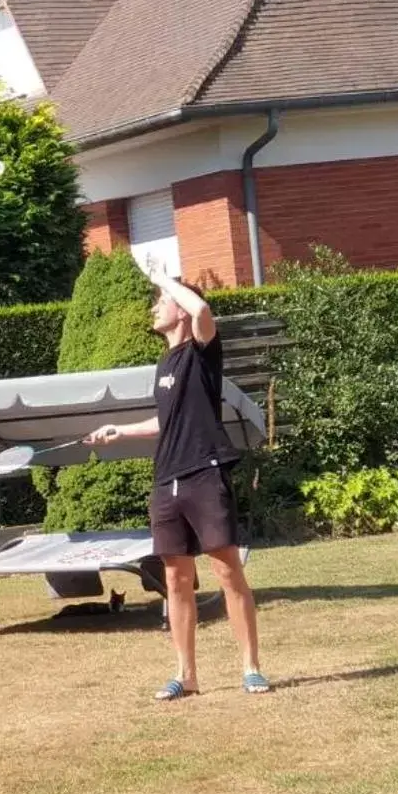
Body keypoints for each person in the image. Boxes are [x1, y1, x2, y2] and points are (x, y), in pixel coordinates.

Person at [87, 267, 267, 699]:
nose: (155, 306)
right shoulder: (164, 363)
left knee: (227, 571)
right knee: (176, 580)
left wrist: (163, 278)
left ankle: (251, 668)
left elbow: (202, 307)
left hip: (205, 473)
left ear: (180, 311)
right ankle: (186, 675)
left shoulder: (203, 352)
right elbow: (166, 421)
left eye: (161, 301)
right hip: (166, 479)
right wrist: (121, 430)